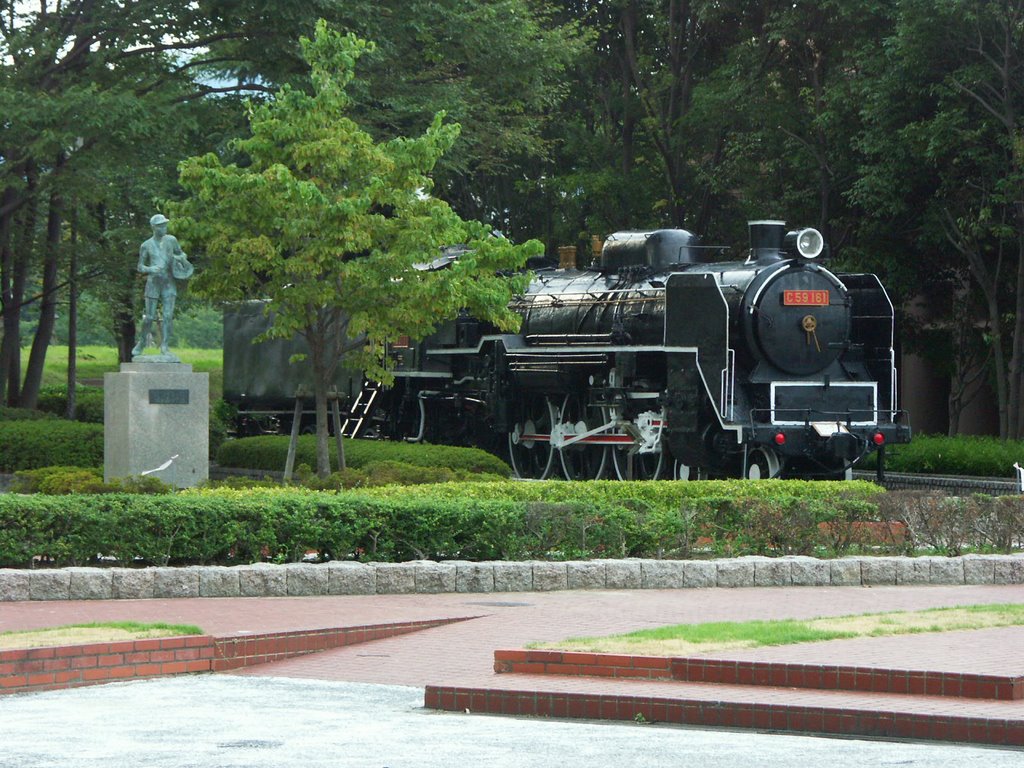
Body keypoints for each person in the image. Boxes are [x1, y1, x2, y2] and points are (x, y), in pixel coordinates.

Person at [131, 214, 194, 357]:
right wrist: (150, 269)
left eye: (165, 225)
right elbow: (140, 266)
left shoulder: (171, 240)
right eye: (161, 226)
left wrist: (179, 259)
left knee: (168, 315)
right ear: (153, 227)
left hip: (168, 282)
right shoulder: (146, 245)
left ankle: (165, 346)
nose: (164, 228)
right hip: (153, 283)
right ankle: (141, 343)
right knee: (149, 317)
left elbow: (181, 253)